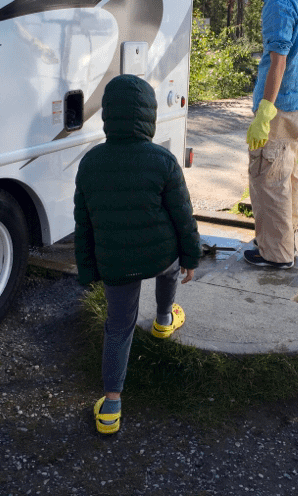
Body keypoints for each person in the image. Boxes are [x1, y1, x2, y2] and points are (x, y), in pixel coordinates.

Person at [73, 74, 202, 435]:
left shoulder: (90, 162)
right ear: (149, 115)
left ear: (108, 115)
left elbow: (83, 224)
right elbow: (182, 215)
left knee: (118, 327)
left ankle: (111, 408)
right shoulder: (162, 159)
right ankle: (164, 319)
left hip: (116, 264)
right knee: (169, 267)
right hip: (161, 255)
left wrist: (87, 271)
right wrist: (190, 257)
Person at [229, 0, 298, 269]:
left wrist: (265, 111)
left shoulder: (277, 2)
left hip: (280, 108)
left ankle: (276, 253)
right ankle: (284, 237)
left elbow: (278, 61)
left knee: (269, 179)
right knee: (286, 173)